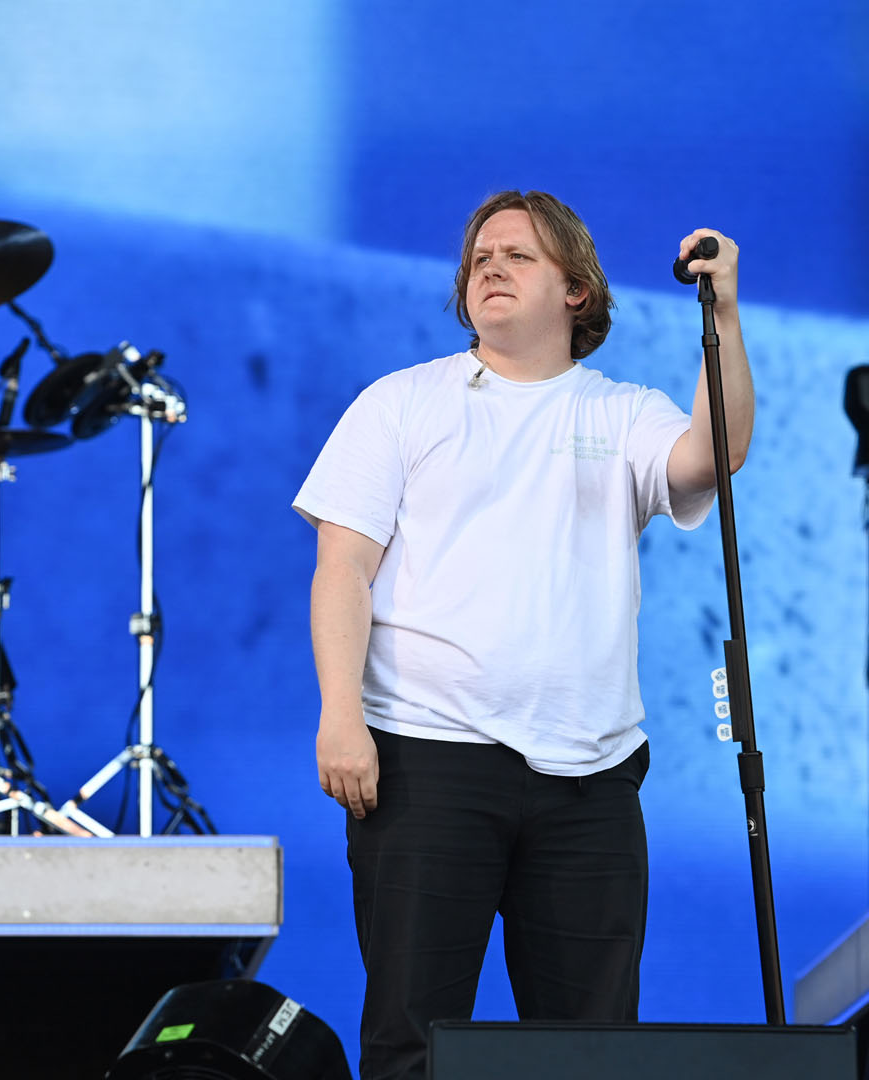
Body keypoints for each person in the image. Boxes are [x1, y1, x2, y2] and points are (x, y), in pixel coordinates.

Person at [292, 190, 754, 1080]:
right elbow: (342, 568)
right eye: (479, 259)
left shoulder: (622, 410)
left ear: (577, 289)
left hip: (591, 775)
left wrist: (724, 308)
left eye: (518, 256)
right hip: (427, 756)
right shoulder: (400, 402)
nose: (490, 268)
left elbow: (716, 453)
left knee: (593, 1049)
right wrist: (340, 716)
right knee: (409, 1042)